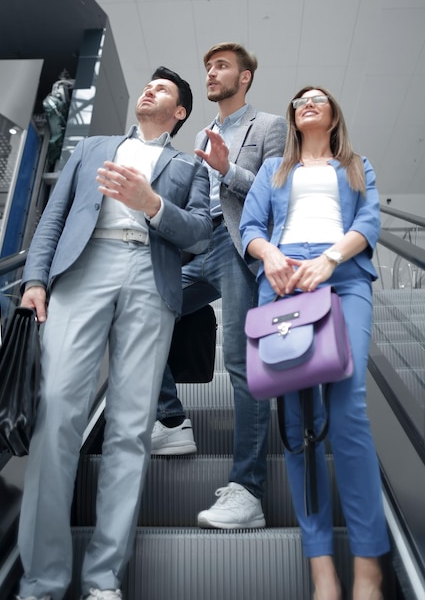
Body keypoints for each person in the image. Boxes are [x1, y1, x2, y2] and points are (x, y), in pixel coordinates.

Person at [16, 66, 212, 600]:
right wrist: (35, 278)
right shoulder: (94, 145)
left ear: (180, 113)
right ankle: (40, 580)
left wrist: (151, 203)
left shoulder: (189, 164)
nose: (150, 90)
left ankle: (103, 580)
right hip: (84, 268)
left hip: (151, 276)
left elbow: (198, 234)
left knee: (129, 430)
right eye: (149, 84)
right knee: (56, 409)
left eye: (164, 90)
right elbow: (54, 216)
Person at [240, 86, 390, 599]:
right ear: (293, 116)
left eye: (319, 98)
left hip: (343, 277)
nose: (308, 101)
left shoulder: (356, 166)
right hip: (282, 282)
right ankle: (321, 564)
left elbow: (369, 222)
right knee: (299, 424)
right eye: (301, 98)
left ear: (331, 116)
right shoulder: (273, 171)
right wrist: (270, 257)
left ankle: (370, 564)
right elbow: (250, 226)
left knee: (348, 409)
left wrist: (329, 259)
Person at [151, 42, 287, 529]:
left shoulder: (268, 125)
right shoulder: (201, 134)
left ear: (244, 77)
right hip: (196, 246)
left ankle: (248, 491)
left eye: (222, 66)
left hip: (237, 247)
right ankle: (170, 421)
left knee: (239, 359)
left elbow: (277, 192)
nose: (211, 73)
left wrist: (227, 168)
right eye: (208, 66)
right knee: (141, 309)